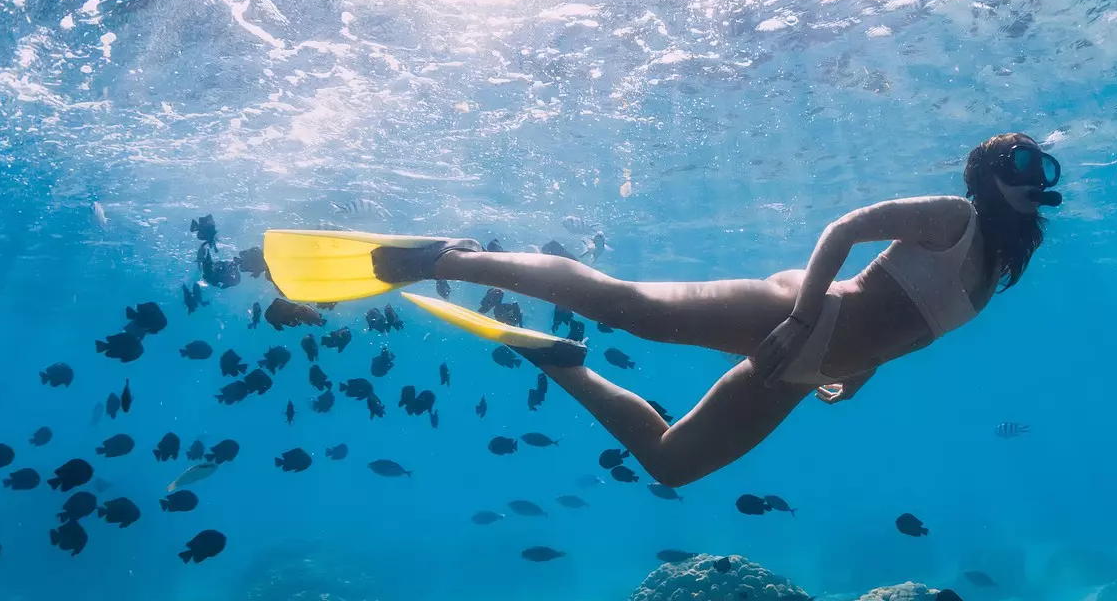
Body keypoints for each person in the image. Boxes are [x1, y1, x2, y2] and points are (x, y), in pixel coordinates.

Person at [264, 132, 1059, 485]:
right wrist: (799, 318)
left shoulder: (994, 274)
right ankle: (447, 257)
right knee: (629, 306)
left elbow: (903, 321)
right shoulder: (953, 218)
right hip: (799, 317)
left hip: (806, 367)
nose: (1035, 175)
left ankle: (558, 360)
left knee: (672, 464)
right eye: (1021, 161)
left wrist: (860, 372)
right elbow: (846, 231)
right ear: (986, 176)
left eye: (1042, 166)